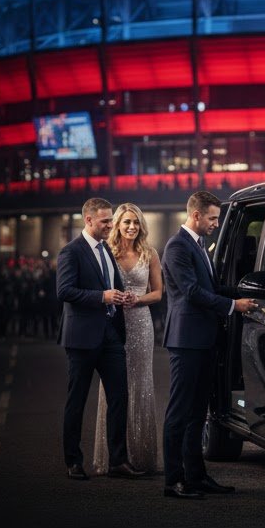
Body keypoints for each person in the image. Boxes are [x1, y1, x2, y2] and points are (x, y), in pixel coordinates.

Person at [160, 190, 257, 498]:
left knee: (198, 413)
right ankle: (173, 481)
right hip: (186, 340)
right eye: (213, 218)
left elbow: (212, 287)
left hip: (203, 339)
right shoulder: (177, 246)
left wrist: (246, 292)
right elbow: (191, 292)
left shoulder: (200, 246)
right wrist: (233, 306)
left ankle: (196, 476)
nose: (217, 223)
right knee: (179, 413)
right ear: (197, 215)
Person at [56, 198, 145, 482]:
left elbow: (111, 285)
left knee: (119, 397)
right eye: (106, 221)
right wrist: (101, 297)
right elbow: (64, 291)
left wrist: (120, 296)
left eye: (110, 220)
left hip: (110, 334)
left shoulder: (107, 249)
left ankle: (118, 460)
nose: (111, 225)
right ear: (89, 220)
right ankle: (73, 461)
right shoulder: (71, 252)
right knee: (77, 400)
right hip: (82, 337)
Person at [92, 202, 163, 475]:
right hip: (113, 325)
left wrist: (138, 299)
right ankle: (113, 455)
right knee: (113, 388)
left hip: (141, 324)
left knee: (141, 384)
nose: (132, 227)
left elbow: (158, 293)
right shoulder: (106, 253)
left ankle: (141, 455)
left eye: (136, 222)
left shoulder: (150, 254)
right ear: (117, 225)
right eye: (126, 222)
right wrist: (111, 298)